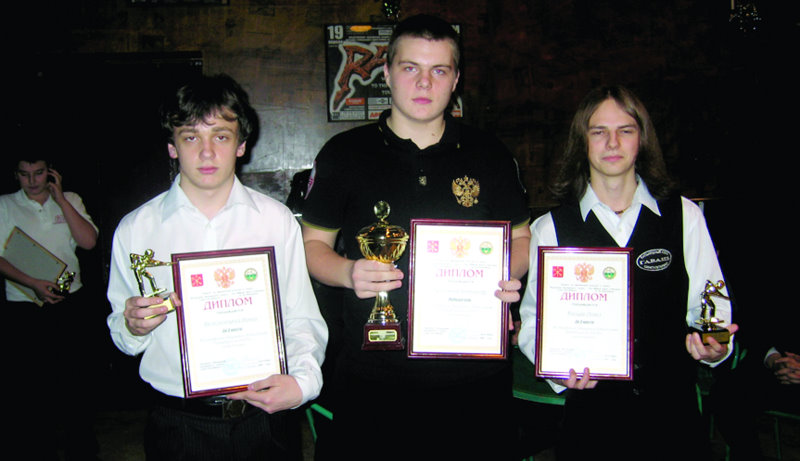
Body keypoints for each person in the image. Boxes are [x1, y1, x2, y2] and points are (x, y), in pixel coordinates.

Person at [301, 14, 531, 460]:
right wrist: (348, 272)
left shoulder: (491, 155)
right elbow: (312, 247)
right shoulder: (344, 155)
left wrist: (504, 276)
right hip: (373, 378)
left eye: (439, 70)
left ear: (456, 80)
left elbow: (521, 240)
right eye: (410, 68)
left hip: (476, 380)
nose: (424, 82)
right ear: (387, 73)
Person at [106, 73, 328, 460]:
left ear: (241, 145)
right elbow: (122, 333)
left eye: (221, 137)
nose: (206, 152)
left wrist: (303, 383)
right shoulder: (136, 229)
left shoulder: (275, 222)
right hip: (179, 425)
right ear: (172, 147)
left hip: (265, 419)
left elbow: (301, 316)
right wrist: (133, 325)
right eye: (191, 137)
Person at [517, 85, 738, 460]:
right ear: (582, 142)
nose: (613, 142)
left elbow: (711, 303)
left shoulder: (684, 216)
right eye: (599, 131)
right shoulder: (550, 228)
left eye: (626, 130)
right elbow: (533, 322)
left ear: (642, 139)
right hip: (591, 422)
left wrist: (714, 346)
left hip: (673, 417)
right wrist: (557, 369)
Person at [0, 155, 99, 459]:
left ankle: (81, 450)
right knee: (32, 391)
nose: (32, 181)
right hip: (25, 305)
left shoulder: (71, 199)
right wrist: (32, 283)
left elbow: (89, 242)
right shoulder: (5, 204)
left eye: (39, 173)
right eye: (24, 174)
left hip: (70, 302)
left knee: (76, 386)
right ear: (15, 175)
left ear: (51, 173)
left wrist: (61, 201)